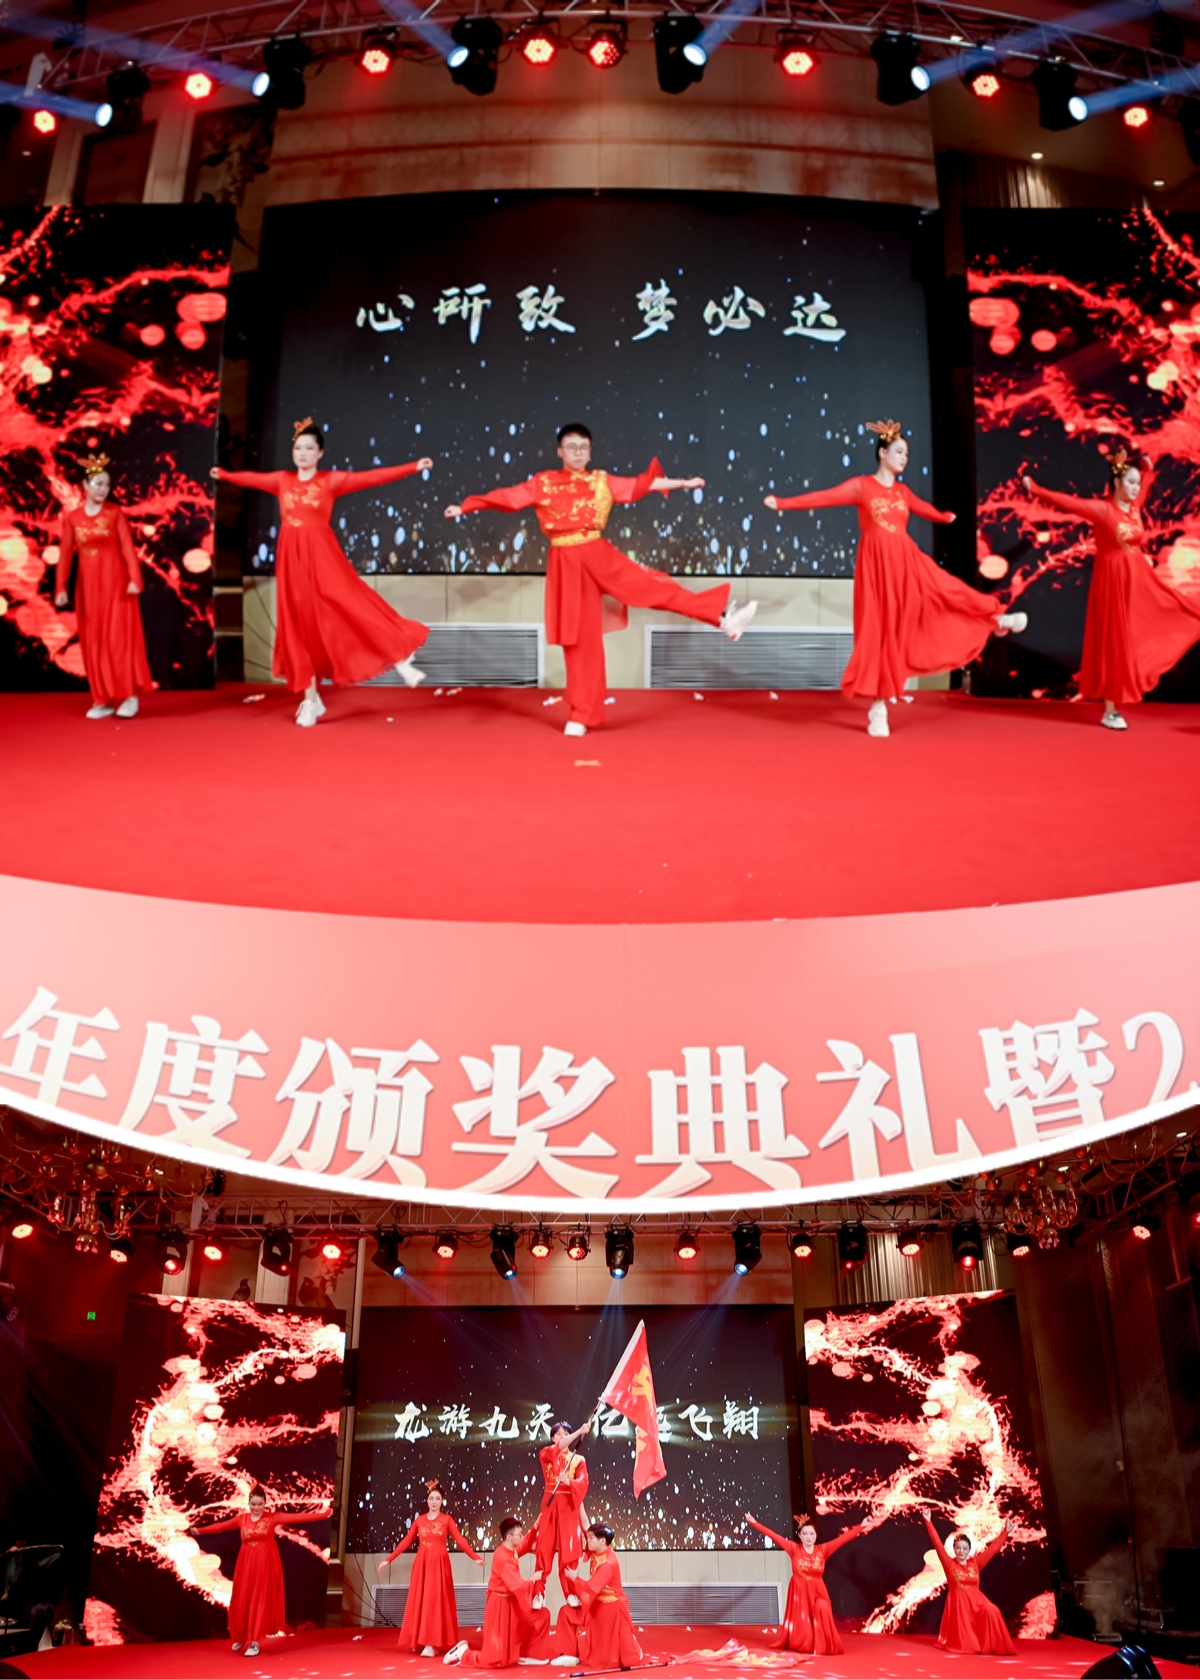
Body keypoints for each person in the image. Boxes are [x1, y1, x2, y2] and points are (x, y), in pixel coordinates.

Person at [445, 424, 758, 736]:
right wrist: (466, 506)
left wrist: (683, 483)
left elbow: (640, 485)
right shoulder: (544, 482)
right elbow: (508, 497)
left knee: (651, 588)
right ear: (560, 451)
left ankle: (722, 619)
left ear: (590, 452)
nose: (578, 453)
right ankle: (580, 715)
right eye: (572, 447)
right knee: (579, 638)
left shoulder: (601, 481)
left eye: (584, 448)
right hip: (565, 563)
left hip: (597, 553)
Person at [766, 420, 1027, 736]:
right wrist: (783, 503)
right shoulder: (862, 486)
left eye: (907, 454)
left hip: (906, 560)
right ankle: (878, 709)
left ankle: (994, 618)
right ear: (883, 453)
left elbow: (923, 508)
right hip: (876, 568)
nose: (904, 458)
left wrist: (943, 517)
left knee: (947, 590)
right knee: (880, 633)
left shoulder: (903, 492)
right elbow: (824, 497)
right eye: (899, 451)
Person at [211, 419, 430, 726]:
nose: (302, 453)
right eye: (298, 448)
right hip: (291, 560)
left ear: (320, 453)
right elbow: (251, 479)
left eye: (309, 448)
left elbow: (371, 477)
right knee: (298, 626)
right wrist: (224, 475)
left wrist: (412, 467)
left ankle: (398, 655)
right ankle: (311, 700)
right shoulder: (282, 480)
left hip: (322, 555)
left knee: (350, 605)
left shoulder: (331, 481)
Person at [1023, 448, 1200, 729]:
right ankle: (1110, 710)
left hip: (1139, 579)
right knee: (1115, 640)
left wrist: (1146, 471)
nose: (1135, 488)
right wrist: (1036, 490)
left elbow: (1145, 486)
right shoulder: (1104, 510)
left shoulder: (1134, 506)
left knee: (1166, 616)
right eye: (1130, 483)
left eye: (1136, 483)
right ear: (1116, 483)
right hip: (1113, 580)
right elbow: (1068, 503)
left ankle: (1132, 681)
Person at [53, 453, 152, 720]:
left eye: (107, 485)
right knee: (93, 640)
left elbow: (127, 548)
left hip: (116, 583)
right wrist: (60, 588)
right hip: (88, 586)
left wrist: (135, 579)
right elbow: (65, 554)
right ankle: (102, 698)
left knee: (119, 639)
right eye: (98, 484)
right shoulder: (73, 518)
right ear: (85, 486)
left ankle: (129, 695)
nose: (103, 489)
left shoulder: (114, 513)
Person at [190, 1484, 330, 1659]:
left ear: (265, 1504)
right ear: (249, 1503)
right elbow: (220, 1527)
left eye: (260, 1504)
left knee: (259, 1599)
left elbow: (299, 1517)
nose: (256, 1508)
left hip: (265, 1564)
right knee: (243, 1598)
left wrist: (324, 1514)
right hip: (245, 1563)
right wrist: (200, 1531)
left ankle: (255, 1641)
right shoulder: (242, 1519)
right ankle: (242, 1636)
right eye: (253, 1504)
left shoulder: (273, 1517)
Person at [744, 1508, 881, 1656]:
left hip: (818, 1591)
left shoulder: (823, 1550)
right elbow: (773, 1536)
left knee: (822, 1607)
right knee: (804, 1636)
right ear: (800, 1536)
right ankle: (806, 1642)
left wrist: (862, 1525)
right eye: (805, 1534)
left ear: (816, 1535)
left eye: (811, 1533)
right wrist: (755, 1523)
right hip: (800, 1592)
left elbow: (842, 1539)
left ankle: (823, 1644)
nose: (808, 1537)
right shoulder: (794, 1548)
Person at [377, 1477, 484, 1654]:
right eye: (431, 1498)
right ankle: (419, 1639)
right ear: (427, 1501)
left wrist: (474, 1557)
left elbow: (460, 1540)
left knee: (434, 1602)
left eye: (437, 1499)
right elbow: (406, 1541)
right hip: (422, 1563)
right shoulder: (419, 1520)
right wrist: (389, 1559)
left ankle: (431, 1643)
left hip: (439, 1564)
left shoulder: (447, 1520)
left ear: (442, 1501)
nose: (434, 1502)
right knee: (420, 1600)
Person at [443, 1515, 549, 1667]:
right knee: (494, 1660)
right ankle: (463, 1653)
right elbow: (518, 1586)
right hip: (499, 1605)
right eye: (519, 1534)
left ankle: (528, 1654)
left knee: (504, 1657)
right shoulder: (503, 1558)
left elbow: (525, 1543)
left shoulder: (511, 1549)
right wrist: (533, 1579)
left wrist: (536, 1526)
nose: (522, 1536)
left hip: (508, 1602)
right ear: (509, 1537)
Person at [921, 1509, 1016, 1657]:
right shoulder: (949, 1564)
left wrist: (1006, 1532)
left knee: (992, 1610)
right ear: (954, 1549)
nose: (961, 1551)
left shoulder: (975, 1563)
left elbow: (993, 1549)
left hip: (978, 1601)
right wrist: (928, 1521)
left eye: (964, 1548)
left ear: (969, 1550)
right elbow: (937, 1542)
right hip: (960, 1605)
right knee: (967, 1643)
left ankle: (992, 1646)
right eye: (958, 1548)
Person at [553, 1522, 643, 1668]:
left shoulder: (608, 1564)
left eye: (590, 1538)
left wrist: (575, 1578)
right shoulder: (596, 1551)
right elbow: (585, 1525)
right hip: (595, 1602)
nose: (587, 1540)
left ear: (602, 1541)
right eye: (587, 1537)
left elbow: (590, 1588)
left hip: (610, 1608)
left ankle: (634, 1649)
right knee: (566, 1612)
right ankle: (570, 1654)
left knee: (617, 1658)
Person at [535, 1416, 596, 1603]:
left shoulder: (578, 1460)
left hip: (568, 1506)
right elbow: (559, 1448)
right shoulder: (546, 1453)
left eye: (566, 1433)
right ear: (552, 1438)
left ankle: (570, 1592)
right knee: (544, 1548)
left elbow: (583, 1482)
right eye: (559, 1434)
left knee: (569, 1550)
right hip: (550, 1504)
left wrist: (569, 1482)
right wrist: (579, 1432)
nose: (562, 1437)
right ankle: (539, 1592)